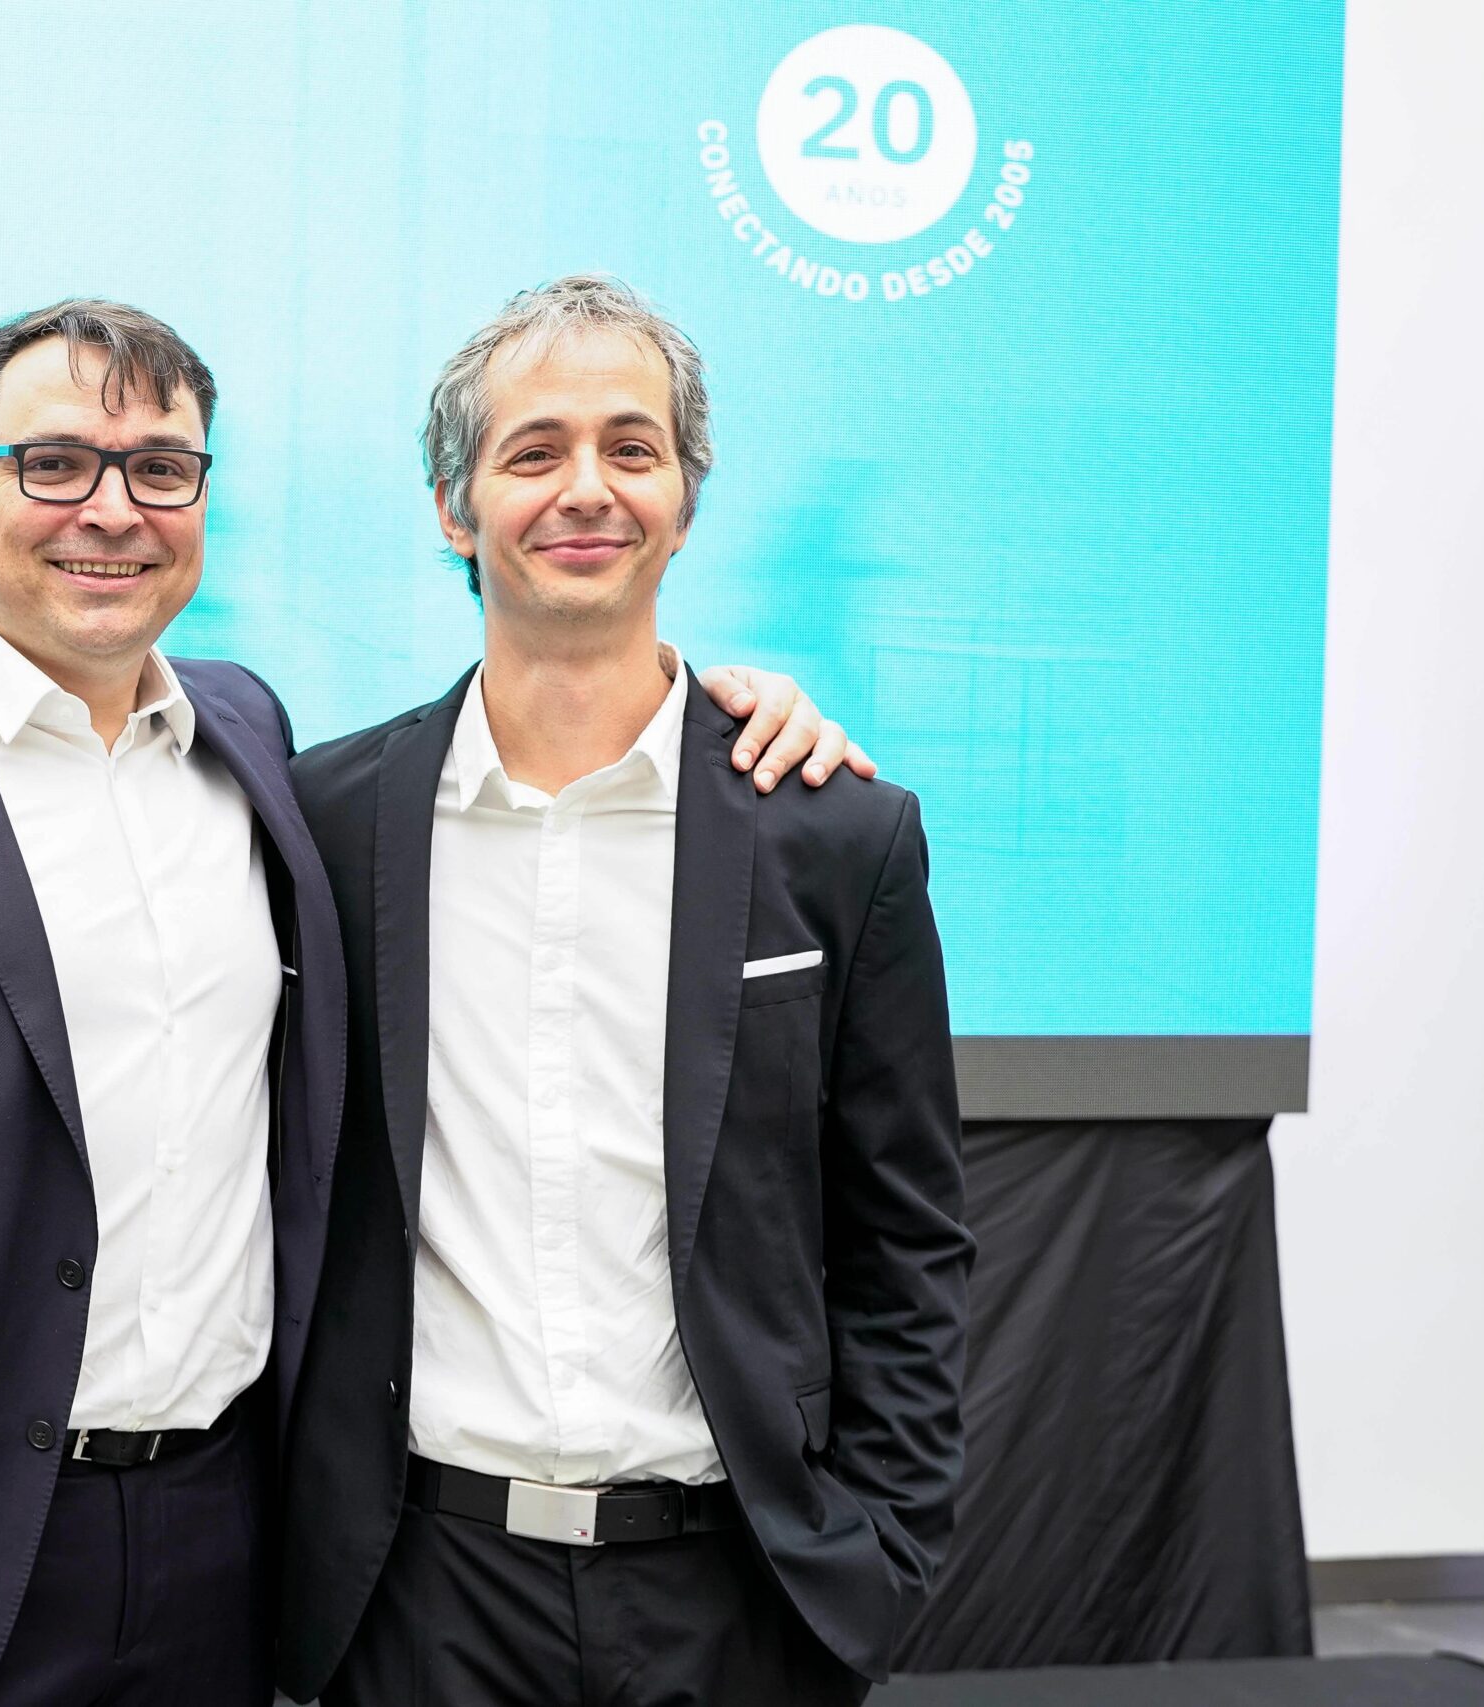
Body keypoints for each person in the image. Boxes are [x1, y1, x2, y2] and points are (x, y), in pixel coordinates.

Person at [0, 298, 866, 1707]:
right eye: (54, 464)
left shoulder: (251, 746)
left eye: (161, 469)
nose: (111, 511)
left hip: (222, 1555)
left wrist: (728, 713)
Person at [278, 276, 971, 1707]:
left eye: (631, 448)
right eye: (534, 451)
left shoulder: (837, 832)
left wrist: (880, 1554)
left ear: (686, 499)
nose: (585, 488)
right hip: (418, 1598)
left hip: (739, 1598)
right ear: (454, 507)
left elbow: (905, 1236)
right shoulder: (324, 823)